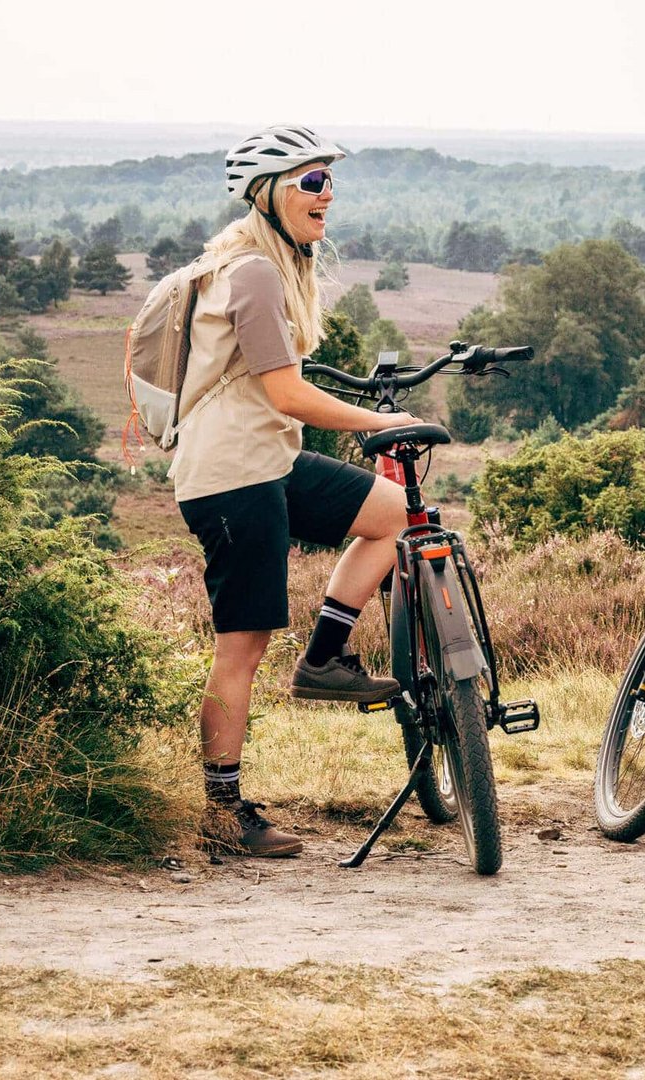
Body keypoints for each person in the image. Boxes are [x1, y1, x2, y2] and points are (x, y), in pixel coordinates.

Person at [173, 124, 418, 858]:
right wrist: (380, 420)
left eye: (329, 181)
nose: (328, 195)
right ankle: (222, 814)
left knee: (394, 514)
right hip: (229, 478)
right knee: (242, 646)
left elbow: (279, 387)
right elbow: (286, 393)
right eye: (313, 182)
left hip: (268, 463)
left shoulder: (273, 266)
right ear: (269, 192)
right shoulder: (249, 271)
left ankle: (325, 657)